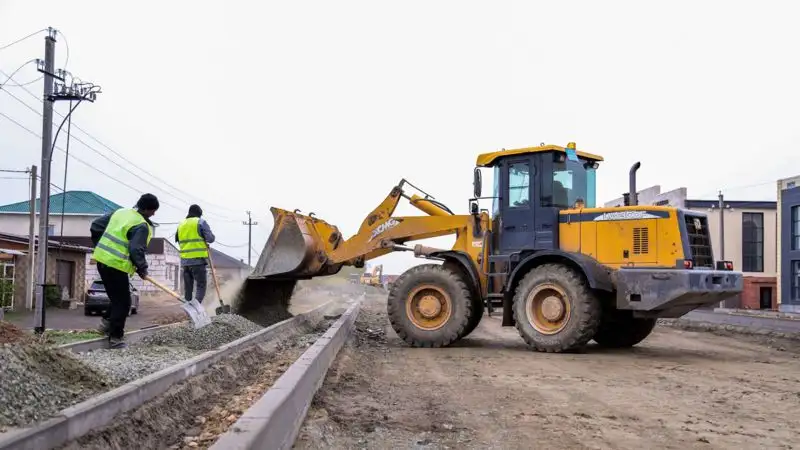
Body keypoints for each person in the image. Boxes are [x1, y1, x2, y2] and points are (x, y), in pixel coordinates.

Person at [90, 193, 159, 349]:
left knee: (117, 299)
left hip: (102, 261)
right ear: (147, 209)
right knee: (124, 303)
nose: (154, 214)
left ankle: (105, 325)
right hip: (116, 265)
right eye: (153, 211)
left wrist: (101, 247)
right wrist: (143, 268)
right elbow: (136, 249)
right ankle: (115, 338)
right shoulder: (141, 225)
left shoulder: (120, 213)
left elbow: (95, 226)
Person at [175, 204, 215, 303]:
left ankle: (189, 309)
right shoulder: (200, 222)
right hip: (198, 261)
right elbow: (210, 238)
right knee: (201, 285)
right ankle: (196, 308)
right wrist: (204, 240)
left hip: (185, 262)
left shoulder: (181, 224)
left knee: (188, 289)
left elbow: (178, 239)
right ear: (199, 214)